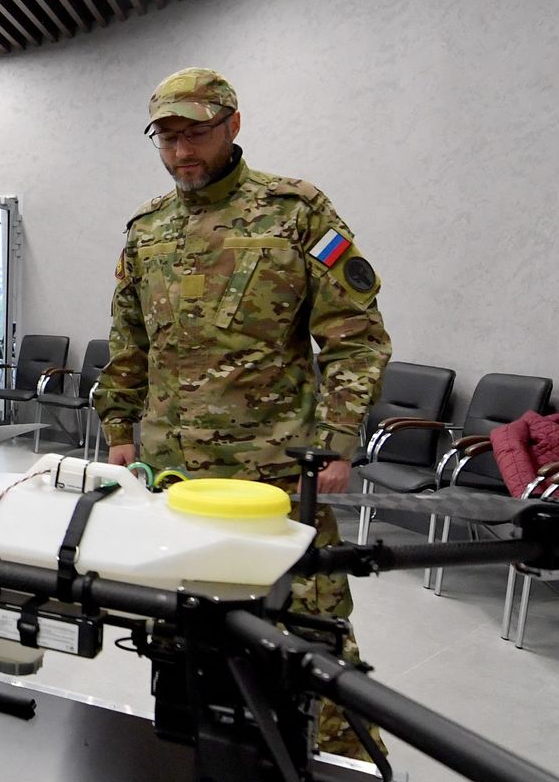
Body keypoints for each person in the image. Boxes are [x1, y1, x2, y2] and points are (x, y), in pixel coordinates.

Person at [93, 67, 393, 763]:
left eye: (194, 133)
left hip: (278, 477)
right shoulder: (146, 230)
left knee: (312, 638)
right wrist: (117, 432)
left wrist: (339, 440)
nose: (180, 153)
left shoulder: (296, 212)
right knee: (183, 638)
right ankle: (206, 755)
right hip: (174, 478)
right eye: (166, 137)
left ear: (233, 124)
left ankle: (348, 767)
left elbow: (356, 336)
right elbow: (127, 343)